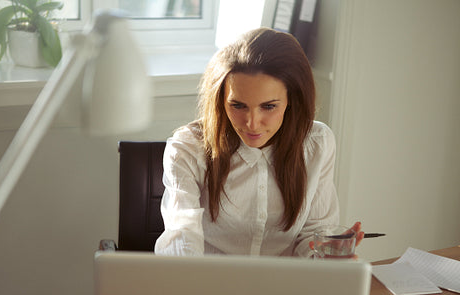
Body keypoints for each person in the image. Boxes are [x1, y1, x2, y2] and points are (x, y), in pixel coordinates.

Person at [154, 27, 363, 257]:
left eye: (269, 106)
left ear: (292, 99)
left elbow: (312, 234)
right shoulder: (187, 148)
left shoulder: (318, 144)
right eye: (238, 105)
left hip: (284, 288)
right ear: (221, 100)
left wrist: (328, 254)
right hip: (209, 285)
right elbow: (183, 237)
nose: (252, 123)